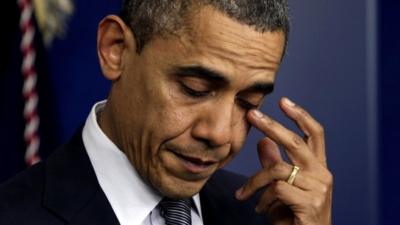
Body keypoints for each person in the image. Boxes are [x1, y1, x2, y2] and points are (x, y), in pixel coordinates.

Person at [0, 0, 333, 225]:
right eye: (194, 89)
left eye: (248, 103)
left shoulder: (270, 216)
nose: (220, 134)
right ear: (116, 50)